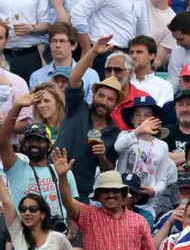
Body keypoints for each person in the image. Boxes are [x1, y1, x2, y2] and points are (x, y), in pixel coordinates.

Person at [53, 36, 124, 197]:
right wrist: (93, 51)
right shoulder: (78, 107)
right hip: (52, 179)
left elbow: (108, 170)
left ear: (115, 104)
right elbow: (74, 78)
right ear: (93, 95)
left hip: (81, 189)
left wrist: (102, 156)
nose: (104, 102)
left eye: (110, 99)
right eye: (101, 96)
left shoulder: (115, 132)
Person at [0, 102, 80, 229]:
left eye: (39, 140)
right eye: (30, 140)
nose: (34, 144)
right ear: (23, 145)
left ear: (49, 146)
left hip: (59, 235)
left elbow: (72, 206)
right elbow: (3, 140)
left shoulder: (63, 171)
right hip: (25, 238)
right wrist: (18, 107)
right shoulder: (16, 168)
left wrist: (72, 232)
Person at [70, 0, 150, 80]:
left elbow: (143, 33)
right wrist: (87, 51)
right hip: (102, 54)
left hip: (126, 57)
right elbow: (78, 14)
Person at [114, 96, 174, 211]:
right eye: (137, 115)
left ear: (154, 120)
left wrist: (154, 191)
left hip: (146, 204)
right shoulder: (125, 136)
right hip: (122, 200)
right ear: (131, 119)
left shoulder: (162, 146)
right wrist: (138, 131)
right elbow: (118, 147)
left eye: (147, 115)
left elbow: (162, 179)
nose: (142, 119)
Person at [29, 22, 100, 102]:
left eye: (62, 41)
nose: (57, 45)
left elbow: (90, 106)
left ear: (74, 45)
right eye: (54, 41)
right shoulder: (37, 76)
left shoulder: (90, 75)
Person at [0, 0, 49, 83]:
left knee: (32, 96)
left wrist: (32, 28)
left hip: (29, 54)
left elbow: (46, 25)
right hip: (2, 54)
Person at [129, 36, 174, 107]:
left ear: (152, 55)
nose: (134, 56)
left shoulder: (164, 86)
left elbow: (160, 113)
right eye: (131, 52)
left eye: (139, 52)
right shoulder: (123, 82)